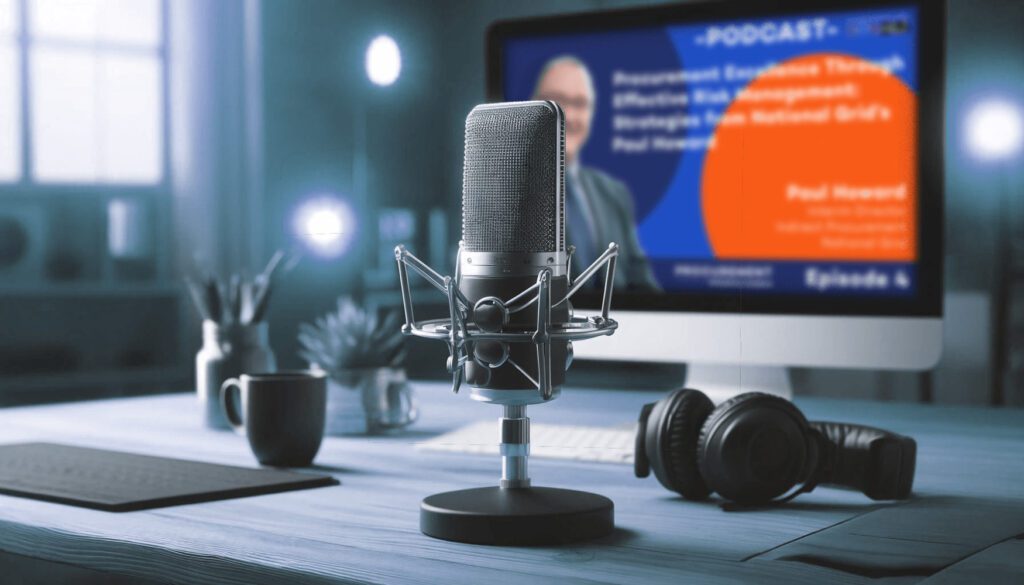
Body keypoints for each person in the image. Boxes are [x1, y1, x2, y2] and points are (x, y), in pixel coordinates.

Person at [532, 56, 660, 292]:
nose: (568, 115)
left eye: (580, 103)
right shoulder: (510, 196)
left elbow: (640, 280)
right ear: (534, 106)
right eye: (558, 101)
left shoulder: (614, 192)